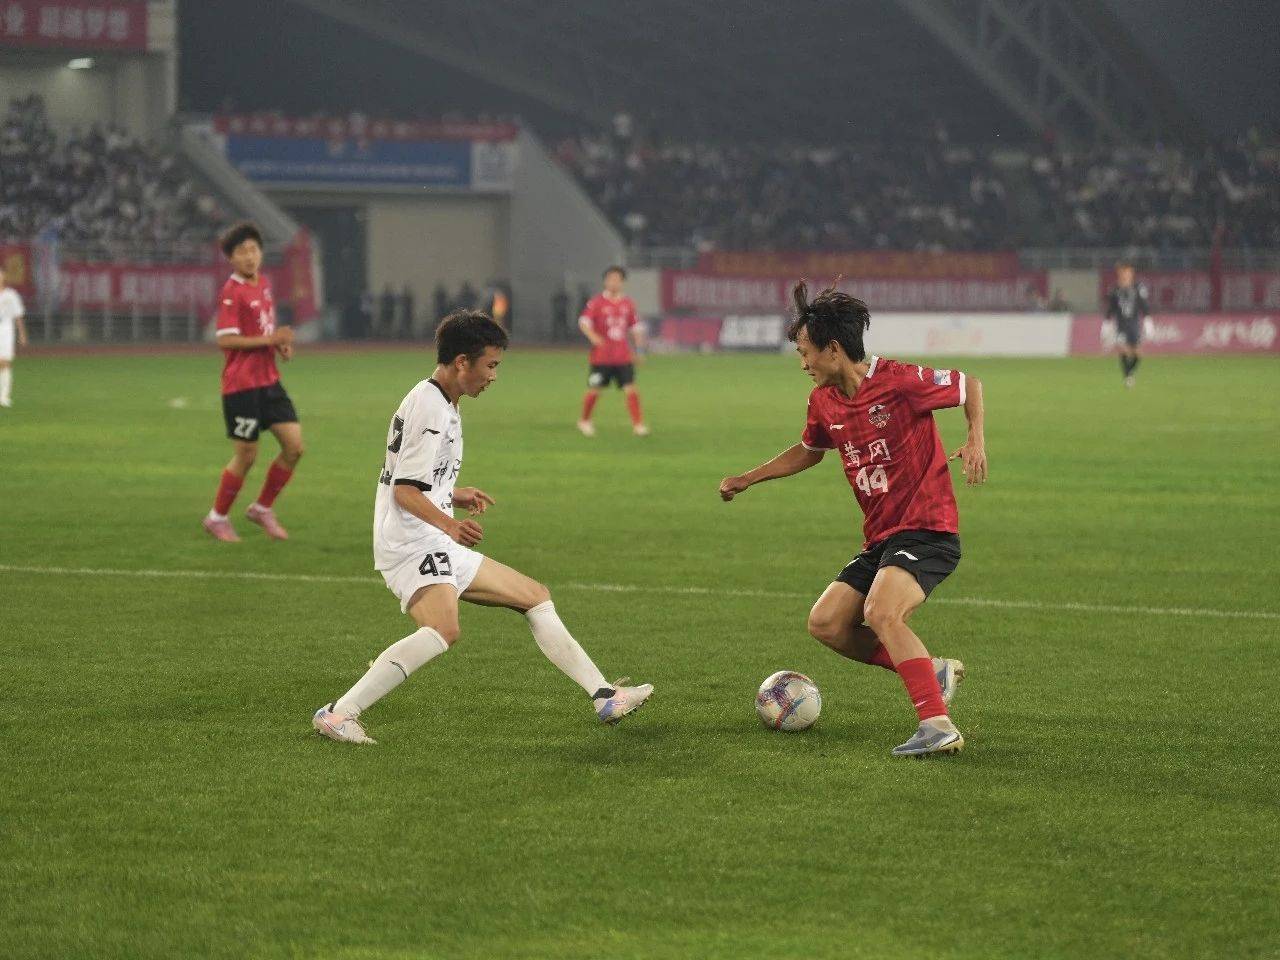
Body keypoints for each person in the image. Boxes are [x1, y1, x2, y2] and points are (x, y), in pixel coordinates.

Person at [312, 311, 653, 744]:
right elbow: (405, 491)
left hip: (426, 534)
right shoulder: (432, 408)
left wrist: (452, 493)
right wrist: (450, 525)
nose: (493, 376)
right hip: (412, 541)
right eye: (490, 365)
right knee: (443, 629)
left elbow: (412, 476)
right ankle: (339, 714)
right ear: (462, 362)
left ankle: (605, 696)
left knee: (534, 596)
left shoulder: (439, 400)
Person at [718, 281, 987, 757]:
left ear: (833, 349)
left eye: (805, 352)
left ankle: (936, 724)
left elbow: (969, 386)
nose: (803, 363)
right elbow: (810, 450)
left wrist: (975, 438)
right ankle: (932, 672)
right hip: (882, 537)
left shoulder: (899, 381)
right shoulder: (823, 401)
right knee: (827, 623)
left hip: (927, 528)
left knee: (881, 613)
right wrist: (749, 478)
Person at [202, 222, 302, 543]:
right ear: (231, 258)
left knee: (294, 447)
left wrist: (279, 345)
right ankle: (216, 518)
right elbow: (225, 340)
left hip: (269, 381)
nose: (249, 256)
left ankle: (261, 509)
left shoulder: (264, 283)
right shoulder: (232, 292)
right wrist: (270, 339)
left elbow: (263, 330)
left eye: (254, 250)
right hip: (241, 386)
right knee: (247, 455)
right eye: (242, 252)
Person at [576, 265, 649, 437]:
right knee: (595, 389)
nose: (613, 282)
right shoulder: (596, 303)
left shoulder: (628, 304)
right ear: (605, 281)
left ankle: (638, 425)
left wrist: (639, 351)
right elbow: (583, 322)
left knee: (631, 389)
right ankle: (584, 421)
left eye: (617, 279)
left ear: (622, 282)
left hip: (622, 356)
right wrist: (593, 336)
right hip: (601, 358)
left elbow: (636, 329)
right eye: (610, 279)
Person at [1106, 264, 1150, 388]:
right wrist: (1107, 323)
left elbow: (1143, 304)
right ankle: (1128, 377)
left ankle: (1129, 373)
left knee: (1138, 353)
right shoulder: (1114, 289)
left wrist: (1148, 320)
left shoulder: (1138, 288)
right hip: (1121, 324)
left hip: (1134, 324)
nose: (1125, 275)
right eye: (1123, 273)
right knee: (1123, 349)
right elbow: (1111, 307)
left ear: (1131, 274)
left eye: (1127, 273)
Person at [0, 264, 29, 408]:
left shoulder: (11, 295)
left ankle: (4, 396)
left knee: (4, 362)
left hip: (5, 331)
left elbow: (18, 316)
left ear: (4, 276)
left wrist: (22, 334)